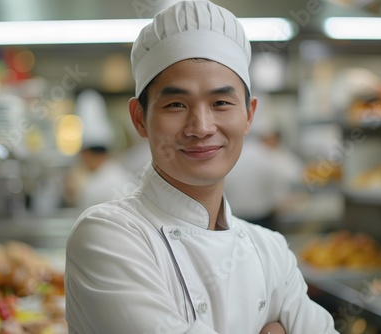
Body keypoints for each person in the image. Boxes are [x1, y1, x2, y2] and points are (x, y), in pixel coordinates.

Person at [65, 1, 339, 333]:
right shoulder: (108, 236)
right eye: (176, 104)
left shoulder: (270, 250)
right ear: (140, 118)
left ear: (249, 115)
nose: (201, 126)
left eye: (221, 103)